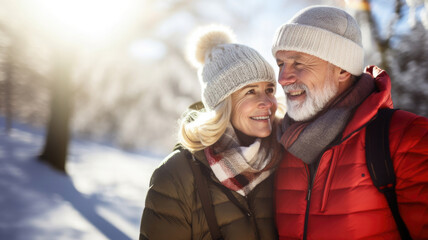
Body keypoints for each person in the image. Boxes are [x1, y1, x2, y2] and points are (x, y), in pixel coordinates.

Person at [271, 5, 428, 240]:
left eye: (298, 63)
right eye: (280, 64)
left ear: (343, 69)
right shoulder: (277, 146)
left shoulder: (406, 137)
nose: (282, 78)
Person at [139, 25, 283, 240]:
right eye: (250, 91)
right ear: (222, 103)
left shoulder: (288, 159)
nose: (267, 102)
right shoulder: (176, 175)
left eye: (269, 89)